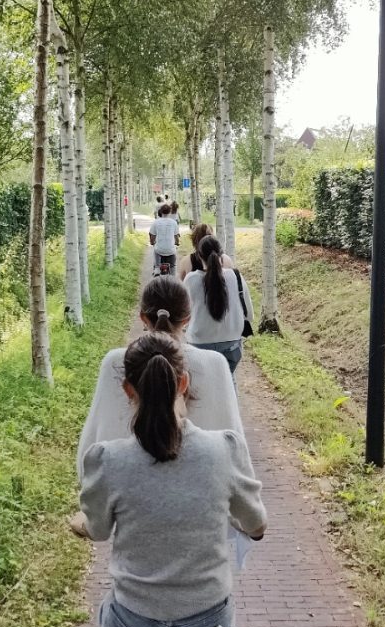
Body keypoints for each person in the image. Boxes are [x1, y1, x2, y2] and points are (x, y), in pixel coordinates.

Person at [78, 332, 267, 627]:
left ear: (128, 390)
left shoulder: (107, 460)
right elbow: (257, 523)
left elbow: (96, 528)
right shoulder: (224, 450)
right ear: (184, 384)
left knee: (112, 610)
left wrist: (80, 523)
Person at [75, 275, 244, 480]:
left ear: (143, 318)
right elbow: (236, 453)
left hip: (125, 493)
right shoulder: (215, 363)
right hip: (204, 495)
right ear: (187, 319)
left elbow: (88, 457)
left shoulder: (115, 362)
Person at [184, 234, 253, 375]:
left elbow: (184, 314)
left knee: (201, 387)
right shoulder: (236, 276)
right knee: (228, 381)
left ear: (198, 256)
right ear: (221, 255)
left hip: (199, 342)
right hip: (232, 344)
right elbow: (249, 314)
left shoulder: (191, 279)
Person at [149, 203, 179, 275]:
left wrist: (152, 242)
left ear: (161, 211)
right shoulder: (174, 223)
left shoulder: (156, 222)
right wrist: (177, 243)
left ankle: (156, 268)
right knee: (173, 266)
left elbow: (152, 237)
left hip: (159, 250)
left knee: (156, 249)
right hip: (171, 251)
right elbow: (176, 237)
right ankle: (173, 275)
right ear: (170, 212)